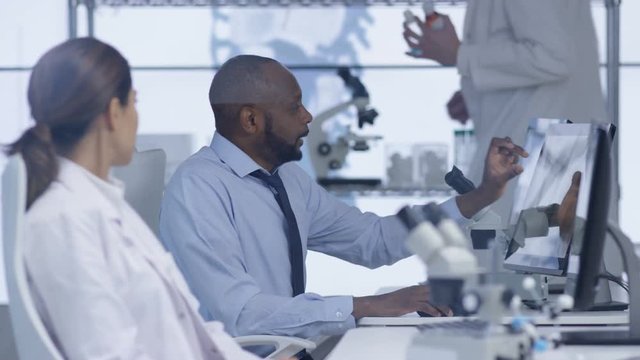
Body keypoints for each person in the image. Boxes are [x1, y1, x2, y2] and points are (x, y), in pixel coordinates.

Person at [159, 54, 528, 339]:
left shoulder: (287, 179)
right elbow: (240, 314)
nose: (308, 117)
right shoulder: (197, 188)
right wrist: (369, 305)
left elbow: (373, 239)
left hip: (288, 349)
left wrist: (481, 195)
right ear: (250, 120)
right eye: (293, 107)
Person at [7, 38, 260, 360]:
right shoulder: (63, 220)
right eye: (134, 102)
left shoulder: (107, 206)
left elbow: (191, 332)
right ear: (114, 112)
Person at [402, 0, 607, 219]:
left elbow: (553, 57)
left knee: (528, 243)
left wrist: (461, 55)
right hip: (542, 150)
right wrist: (478, 94)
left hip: (544, 158)